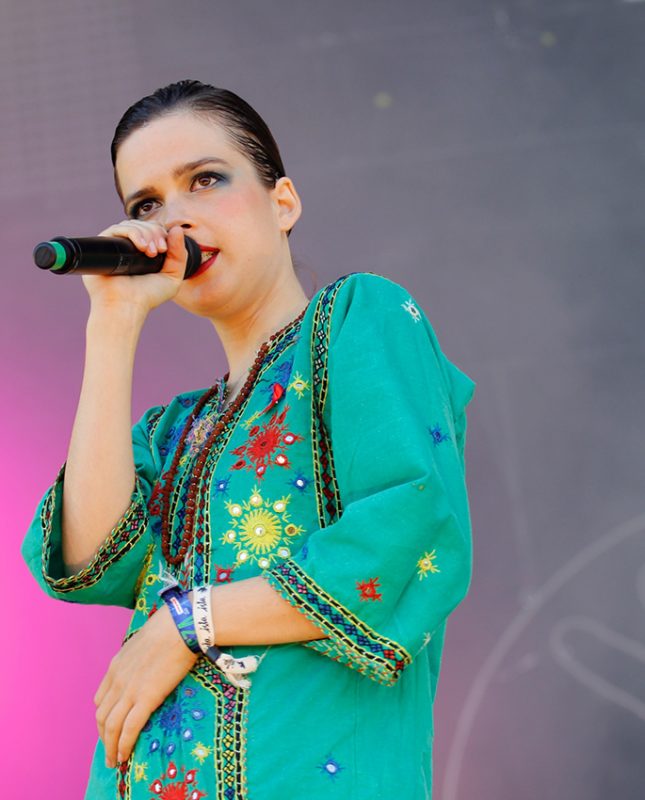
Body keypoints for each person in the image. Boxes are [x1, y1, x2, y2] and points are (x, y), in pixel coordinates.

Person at [21, 79, 476, 800]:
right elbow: (86, 559)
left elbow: (410, 531)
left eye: (205, 180)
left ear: (282, 202)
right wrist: (112, 323)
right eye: (146, 205)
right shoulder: (169, 432)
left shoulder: (360, 318)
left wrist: (187, 622)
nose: (174, 219)